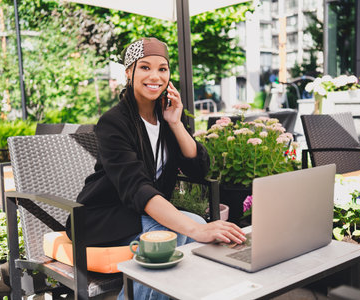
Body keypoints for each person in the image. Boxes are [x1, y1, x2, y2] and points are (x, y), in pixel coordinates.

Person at [66, 37, 245, 299]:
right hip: (102, 217)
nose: (155, 76)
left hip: (141, 213)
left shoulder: (168, 113)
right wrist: (196, 229)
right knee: (169, 237)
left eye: (162, 69)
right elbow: (137, 187)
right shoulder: (113, 122)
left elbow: (199, 169)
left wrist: (176, 124)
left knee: (189, 226)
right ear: (129, 73)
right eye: (145, 67)